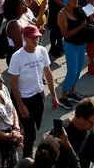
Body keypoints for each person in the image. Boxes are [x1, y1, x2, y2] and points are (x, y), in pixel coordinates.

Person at [8, 24, 58, 158]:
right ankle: (27, 156)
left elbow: (48, 73)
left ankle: (21, 134)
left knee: (37, 125)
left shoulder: (42, 51)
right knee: (33, 133)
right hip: (24, 98)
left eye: (37, 37)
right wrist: (20, 105)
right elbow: (13, 83)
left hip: (38, 95)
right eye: (33, 38)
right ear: (25, 38)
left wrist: (53, 95)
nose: (36, 40)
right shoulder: (17, 57)